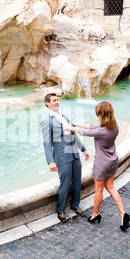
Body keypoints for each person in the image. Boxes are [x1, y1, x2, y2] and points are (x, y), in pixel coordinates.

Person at [62, 101, 130, 231]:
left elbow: (84, 132)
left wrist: (69, 127)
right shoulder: (114, 126)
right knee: (111, 187)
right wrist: (76, 124)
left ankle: (95, 215)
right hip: (113, 160)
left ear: (101, 114)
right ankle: (123, 214)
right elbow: (93, 127)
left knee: (99, 190)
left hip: (102, 163)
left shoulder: (102, 132)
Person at [40, 93, 90, 223]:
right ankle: (60, 210)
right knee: (65, 183)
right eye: (54, 101)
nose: (57, 102)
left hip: (74, 153)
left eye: (57, 100)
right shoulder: (47, 121)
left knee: (77, 181)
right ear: (47, 103)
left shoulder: (64, 116)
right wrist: (51, 161)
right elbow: (46, 142)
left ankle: (75, 205)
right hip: (62, 157)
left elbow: (73, 133)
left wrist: (83, 149)